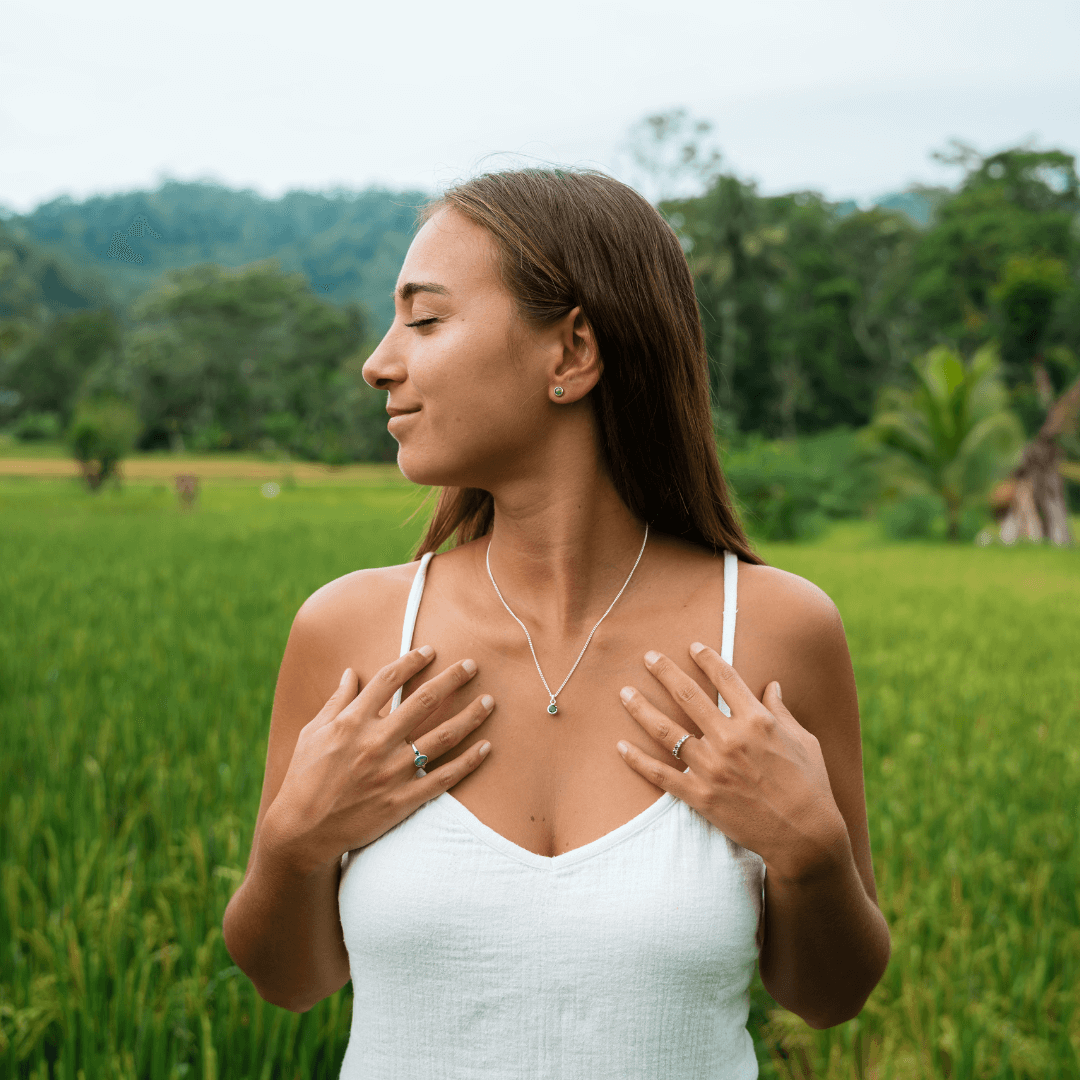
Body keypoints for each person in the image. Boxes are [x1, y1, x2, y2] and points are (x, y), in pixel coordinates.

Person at [222, 168, 891, 1079]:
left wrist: (812, 857)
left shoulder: (775, 630)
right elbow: (289, 980)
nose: (379, 362)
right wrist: (293, 845)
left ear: (572, 353)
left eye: (425, 320)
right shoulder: (351, 630)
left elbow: (829, 997)